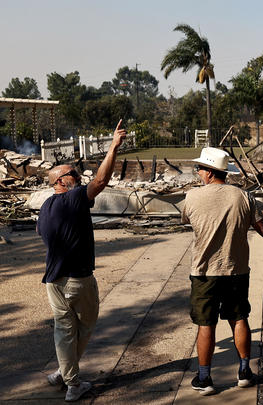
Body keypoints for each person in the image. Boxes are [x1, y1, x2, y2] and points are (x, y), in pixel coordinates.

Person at [182, 147, 263, 396]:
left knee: (205, 324)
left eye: (200, 168)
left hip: (204, 272)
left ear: (209, 172)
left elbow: (188, 220)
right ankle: (244, 372)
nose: (198, 172)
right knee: (239, 318)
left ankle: (204, 378)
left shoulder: (191, 197)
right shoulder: (244, 197)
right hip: (236, 270)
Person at [37, 120, 126, 402]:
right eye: (72, 173)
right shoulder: (73, 199)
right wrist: (113, 147)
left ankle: (64, 374)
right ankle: (72, 384)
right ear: (62, 182)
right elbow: (100, 181)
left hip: (53, 280)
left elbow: (46, 237)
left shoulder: (46, 206)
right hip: (77, 278)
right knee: (85, 326)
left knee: (63, 329)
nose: (77, 175)